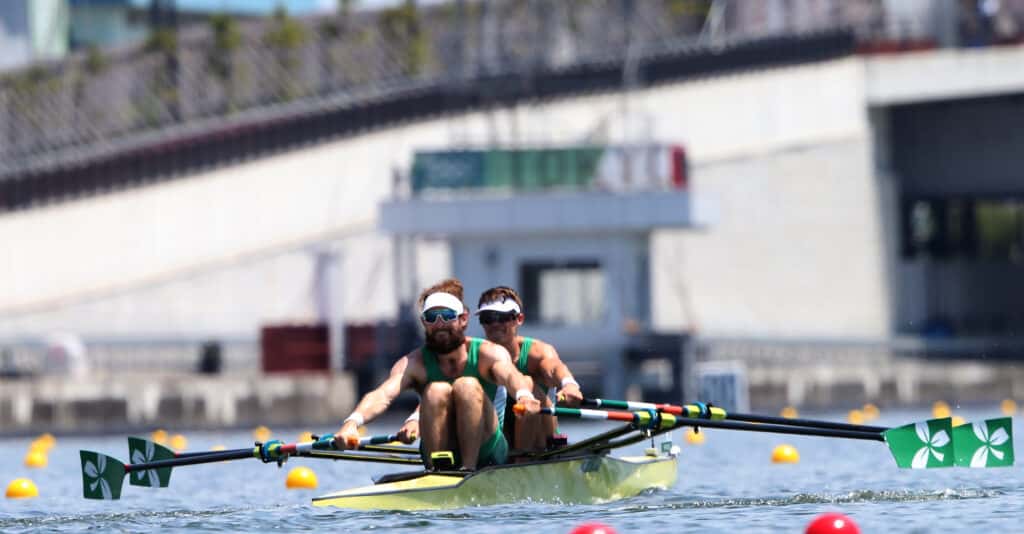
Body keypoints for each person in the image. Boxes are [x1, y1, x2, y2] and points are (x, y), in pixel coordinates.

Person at [332, 278, 540, 470]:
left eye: (447, 316)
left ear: (463, 319)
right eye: (432, 317)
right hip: (440, 448)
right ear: (424, 323)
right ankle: (438, 471)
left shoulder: (488, 353)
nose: (440, 324)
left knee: (466, 384)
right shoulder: (413, 363)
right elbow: (383, 395)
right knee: (435, 390)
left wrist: (524, 396)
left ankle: (468, 468)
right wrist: (351, 424)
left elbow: (512, 376)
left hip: (489, 450)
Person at [398, 286, 583, 452]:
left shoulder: (537, 352)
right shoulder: (478, 356)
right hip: (497, 437)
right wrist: (414, 419)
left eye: (503, 317)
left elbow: (554, 369)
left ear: (519, 319)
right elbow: (443, 389)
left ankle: (522, 461)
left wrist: (569, 384)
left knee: (526, 383)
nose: (495, 324)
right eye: (488, 318)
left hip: (541, 440)